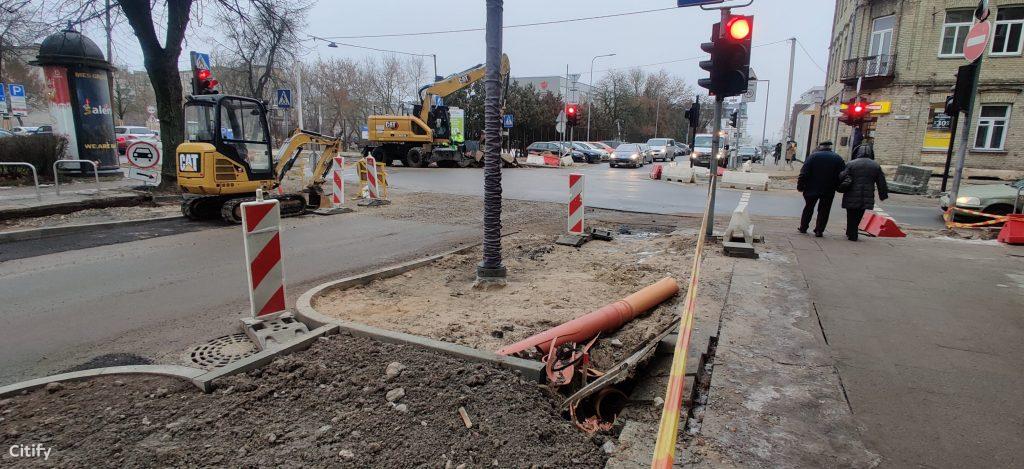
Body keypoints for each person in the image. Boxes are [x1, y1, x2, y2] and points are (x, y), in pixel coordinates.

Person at [839, 143, 889, 241]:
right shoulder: (875, 165)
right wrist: (883, 195)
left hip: (851, 193)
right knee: (859, 214)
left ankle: (851, 232)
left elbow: (842, 176)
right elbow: (881, 182)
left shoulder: (851, 163)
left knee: (851, 214)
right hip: (866, 195)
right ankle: (852, 232)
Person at [797, 141, 846, 237]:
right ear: (830, 147)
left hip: (811, 188)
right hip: (828, 189)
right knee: (824, 210)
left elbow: (804, 173)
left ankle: (803, 227)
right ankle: (819, 230)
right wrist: (838, 186)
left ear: (820, 147)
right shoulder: (837, 158)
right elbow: (842, 175)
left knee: (808, 208)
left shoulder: (813, 157)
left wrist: (800, 186)